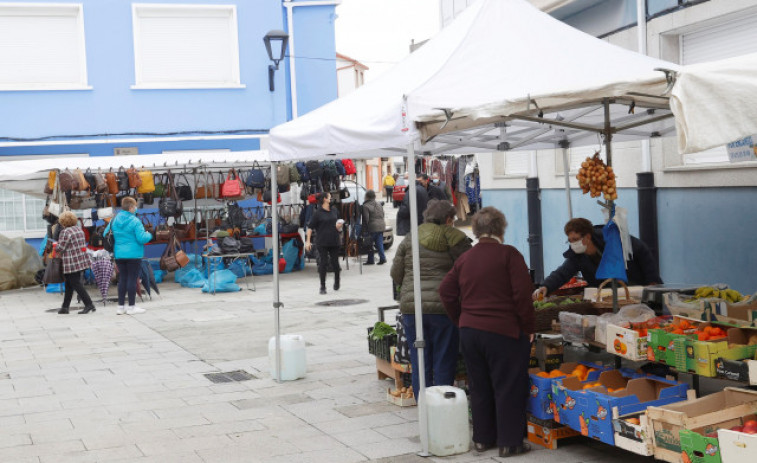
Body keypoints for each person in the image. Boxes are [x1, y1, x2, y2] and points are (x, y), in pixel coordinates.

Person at [439, 207, 534, 458]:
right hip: (502, 330)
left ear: (476, 229)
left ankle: (482, 439)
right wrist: (528, 327)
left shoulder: (465, 258)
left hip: (470, 332)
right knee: (508, 386)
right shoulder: (509, 255)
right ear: (501, 229)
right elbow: (522, 295)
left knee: (479, 385)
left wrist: (461, 319)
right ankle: (510, 443)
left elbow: (445, 292)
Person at [390, 199, 472, 396]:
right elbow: (470, 271)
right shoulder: (456, 239)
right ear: (447, 219)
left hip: (412, 308)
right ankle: (442, 405)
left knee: (420, 360)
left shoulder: (410, 238)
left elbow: (396, 273)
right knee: (444, 359)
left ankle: (424, 409)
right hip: (444, 308)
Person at [532, 218, 662, 300]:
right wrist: (545, 287)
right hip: (608, 297)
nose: (573, 244)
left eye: (576, 239)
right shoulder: (577, 256)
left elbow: (642, 250)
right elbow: (562, 273)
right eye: (570, 241)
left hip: (636, 286)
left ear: (587, 237)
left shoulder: (612, 239)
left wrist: (652, 280)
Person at [105, 196, 152, 315]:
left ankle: (120, 307)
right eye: (135, 206)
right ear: (131, 207)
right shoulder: (135, 221)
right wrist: (149, 234)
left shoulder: (114, 219)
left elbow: (105, 233)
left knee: (123, 280)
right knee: (132, 279)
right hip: (134, 255)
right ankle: (132, 307)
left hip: (119, 254)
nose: (136, 209)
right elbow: (141, 239)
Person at [55, 211, 96, 315]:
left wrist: (55, 245)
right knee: (69, 284)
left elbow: (61, 248)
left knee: (76, 284)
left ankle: (89, 304)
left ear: (63, 222)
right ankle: (65, 307)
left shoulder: (65, 232)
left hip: (70, 262)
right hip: (80, 261)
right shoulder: (79, 230)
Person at [305, 192, 342, 294]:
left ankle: (337, 281)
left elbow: (338, 222)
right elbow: (310, 228)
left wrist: (339, 226)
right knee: (323, 263)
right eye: (329, 197)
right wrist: (308, 242)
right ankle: (322, 286)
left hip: (334, 240)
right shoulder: (318, 213)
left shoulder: (334, 210)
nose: (331, 198)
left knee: (335, 263)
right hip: (322, 242)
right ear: (325, 199)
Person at [361, 189, 386, 265]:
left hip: (372, 227)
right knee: (379, 243)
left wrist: (364, 230)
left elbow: (366, 219)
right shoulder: (379, 204)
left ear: (367, 196)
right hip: (381, 225)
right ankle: (382, 258)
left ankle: (371, 260)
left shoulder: (365, 206)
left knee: (369, 243)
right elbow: (383, 214)